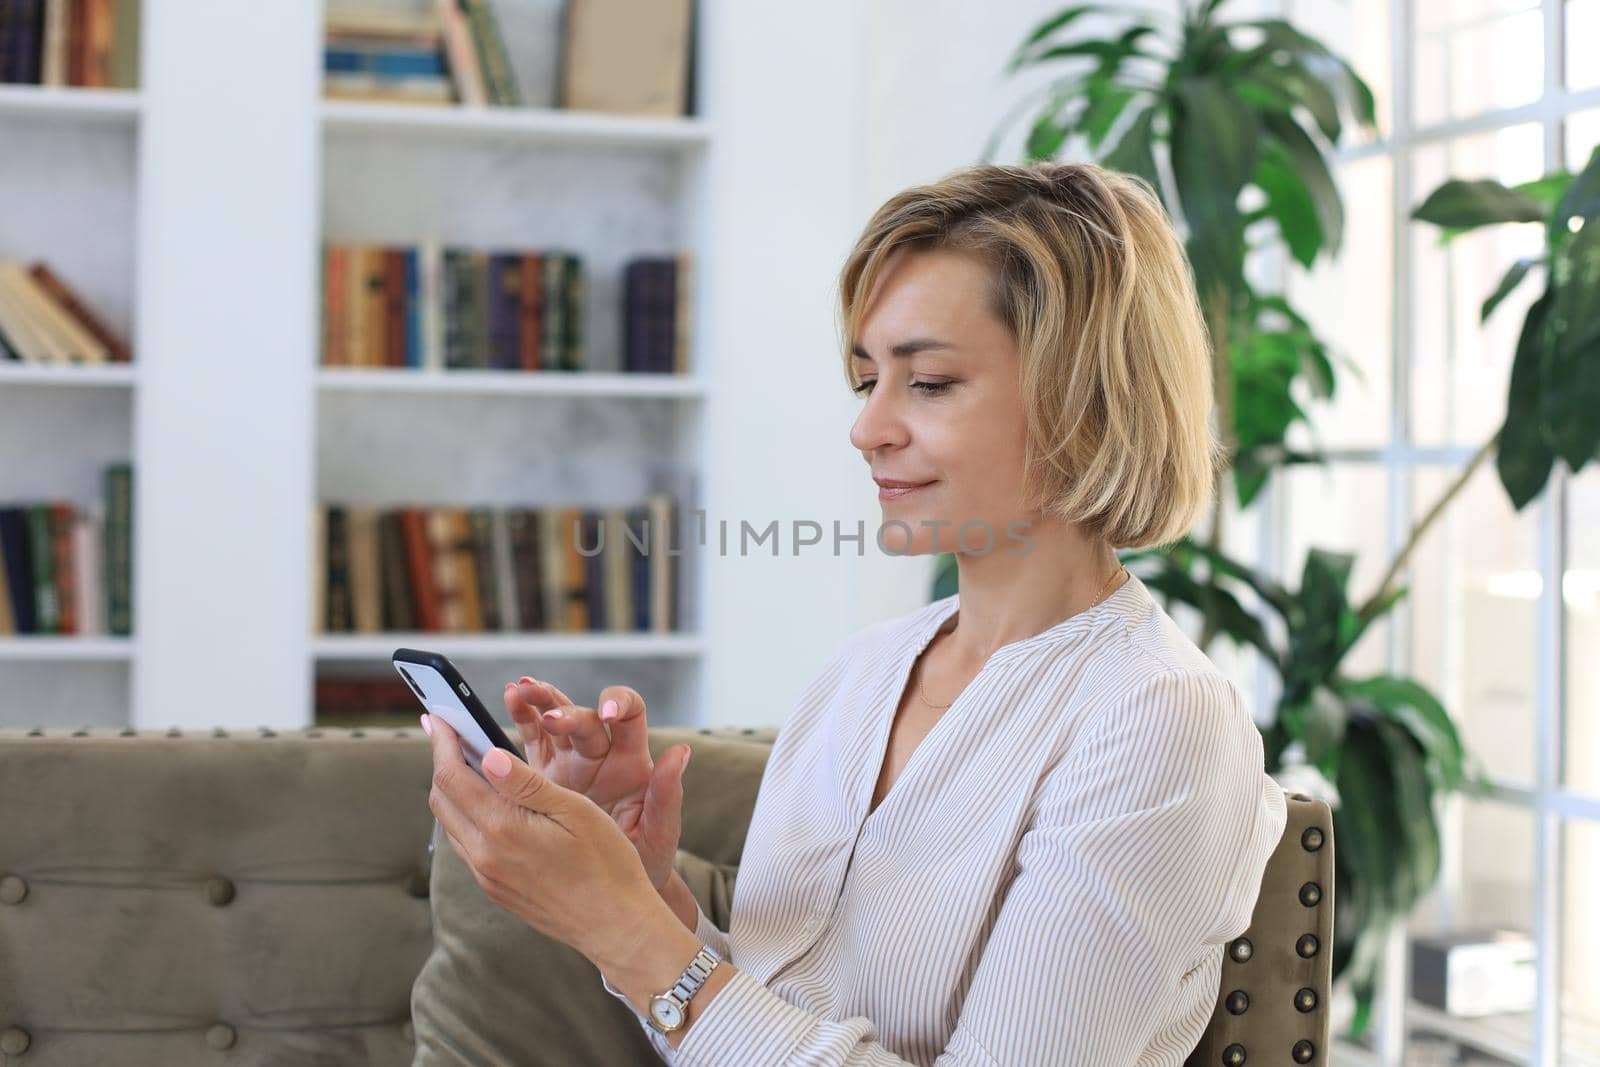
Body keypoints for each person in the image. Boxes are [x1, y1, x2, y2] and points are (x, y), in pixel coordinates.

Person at [425, 159, 1289, 1066]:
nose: (867, 427)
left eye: (930, 382)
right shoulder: (863, 672)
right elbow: (775, 1016)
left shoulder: (1161, 717)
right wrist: (643, 893)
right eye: (866, 380)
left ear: (1083, 398)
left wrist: (633, 935)